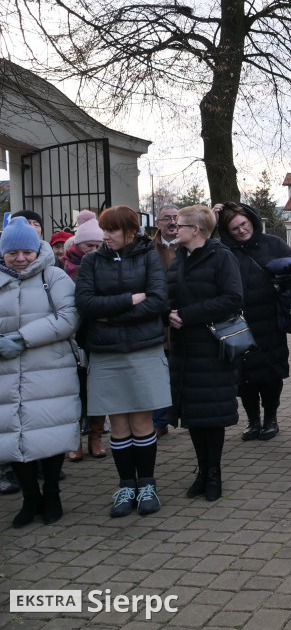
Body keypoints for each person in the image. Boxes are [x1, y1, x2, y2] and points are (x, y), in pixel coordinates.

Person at [76, 205, 170, 517]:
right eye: (104, 229)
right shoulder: (90, 261)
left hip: (144, 349)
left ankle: (146, 485)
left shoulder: (148, 256)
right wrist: (130, 300)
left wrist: (110, 316)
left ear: (130, 231)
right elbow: (86, 304)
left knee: (142, 423)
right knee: (118, 425)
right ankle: (125, 485)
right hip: (106, 353)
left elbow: (158, 300)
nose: (105, 236)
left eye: (112, 230)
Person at [0, 217, 80, 527]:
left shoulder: (54, 276)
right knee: (12, 436)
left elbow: (69, 318)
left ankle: (53, 494)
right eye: (12, 253)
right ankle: (30, 497)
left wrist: (21, 338)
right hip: (6, 372)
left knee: (49, 432)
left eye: (26, 252)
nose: (20, 259)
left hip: (49, 368)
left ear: (37, 250)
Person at [166, 205, 243, 502]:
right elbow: (169, 296)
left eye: (180, 224)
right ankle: (201, 471)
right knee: (194, 416)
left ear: (195, 229)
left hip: (212, 348)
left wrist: (187, 315)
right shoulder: (178, 259)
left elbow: (233, 299)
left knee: (212, 415)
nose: (175, 228)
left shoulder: (222, 256)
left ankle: (214, 473)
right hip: (184, 349)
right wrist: (168, 314)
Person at [216, 202, 291, 442]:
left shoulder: (272, 243)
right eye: (234, 228)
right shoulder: (223, 250)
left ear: (251, 220)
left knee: (270, 374)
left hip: (270, 320)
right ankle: (253, 420)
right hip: (237, 323)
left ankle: (270, 418)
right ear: (227, 231)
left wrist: (284, 278)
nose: (242, 230)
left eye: (243, 224)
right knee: (244, 376)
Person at [61, 212, 106, 462]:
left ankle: (96, 436)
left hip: (96, 333)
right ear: (77, 244)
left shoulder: (105, 264)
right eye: (89, 245)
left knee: (96, 389)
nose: (94, 250)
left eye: (98, 246)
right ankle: (74, 440)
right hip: (72, 336)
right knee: (74, 389)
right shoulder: (63, 268)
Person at [151, 203, 179, 438]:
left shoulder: (190, 246)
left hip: (185, 321)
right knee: (159, 376)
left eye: (175, 217)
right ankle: (159, 422)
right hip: (158, 324)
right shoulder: (148, 249)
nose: (171, 222)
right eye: (166, 218)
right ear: (157, 223)